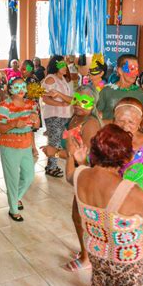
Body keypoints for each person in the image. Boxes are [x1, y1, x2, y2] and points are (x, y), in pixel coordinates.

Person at [65, 124, 143, 286]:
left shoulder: (80, 175)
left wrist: (75, 158)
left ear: (93, 151)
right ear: (126, 159)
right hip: (126, 258)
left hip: (97, 251)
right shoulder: (128, 191)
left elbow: (70, 175)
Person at [41, 84, 101, 271]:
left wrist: (56, 153)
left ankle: (87, 258)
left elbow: (89, 155)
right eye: (76, 99)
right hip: (79, 172)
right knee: (80, 216)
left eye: (85, 102)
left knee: (79, 216)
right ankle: (88, 251)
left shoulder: (90, 123)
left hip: (89, 174)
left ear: (93, 104)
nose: (78, 104)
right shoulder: (77, 116)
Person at [0, 77, 40, 221]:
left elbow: (35, 127)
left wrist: (35, 118)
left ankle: (17, 197)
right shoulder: (4, 106)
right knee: (12, 179)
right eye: (16, 87)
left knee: (29, 176)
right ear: (9, 89)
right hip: (9, 145)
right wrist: (13, 124)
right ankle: (13, 209)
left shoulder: (31, 104)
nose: (20, 90)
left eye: (23, 86)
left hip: (26, 144)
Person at [97, 54, 143, 127]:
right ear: (120, 71)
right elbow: (96, 118)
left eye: (137, 69)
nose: (136, 73)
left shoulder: (139, 92)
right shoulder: (106, 91)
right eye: (131, 69)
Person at [41, 55, 73, 177]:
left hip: (64, 115)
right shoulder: (51, 78)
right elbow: (44, 98)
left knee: (58, 141)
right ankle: (51, 167)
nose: (65, 67)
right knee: (54, 141)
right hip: (54, 115)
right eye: (61, 65)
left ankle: (53, 165)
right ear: (55, 65)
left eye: (65, 65)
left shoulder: (62, 79)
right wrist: (60, 103)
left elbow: (68, 98)